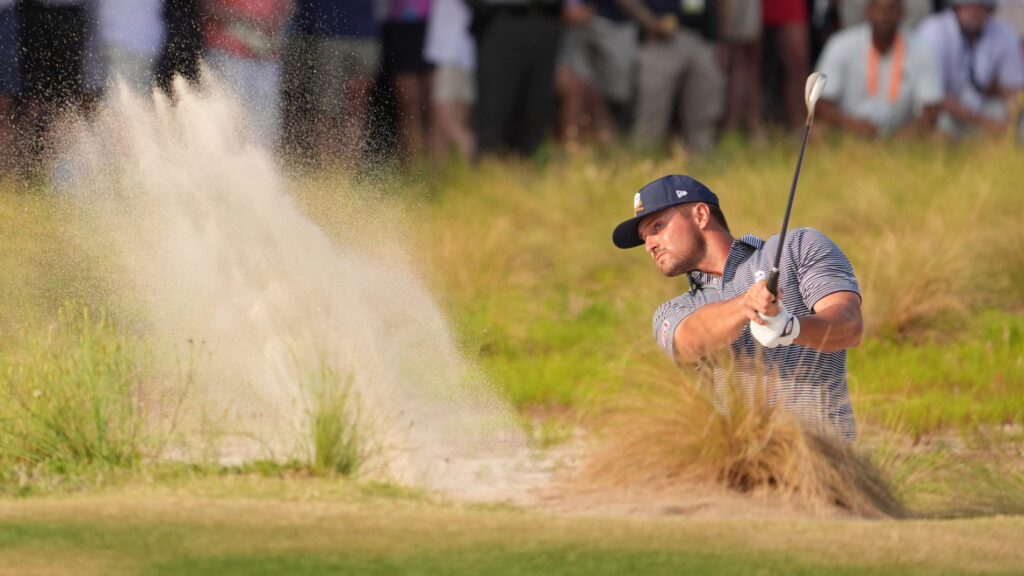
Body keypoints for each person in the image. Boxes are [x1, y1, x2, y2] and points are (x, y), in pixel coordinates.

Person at [611, 174, 863, 441]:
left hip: (826, 456)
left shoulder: (797, 247)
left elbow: (849, 326)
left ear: (700, 215)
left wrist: (791, 327)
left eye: (658, 226)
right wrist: (746, 305)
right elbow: (689, 341)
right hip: (741, 464)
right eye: (645, 237)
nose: (649, 245)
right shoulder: (673, 312)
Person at [815, 0, 943, 138]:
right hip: (849, 130)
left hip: (901, 133)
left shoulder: (921, 49)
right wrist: (853, 126)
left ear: (902, 13)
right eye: (879, 9)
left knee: (941, 138)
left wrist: (903, 136)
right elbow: (820, 102)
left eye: (891, 10)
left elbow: (932, 108)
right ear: (868, 12)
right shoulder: (841, 44)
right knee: (816, 133)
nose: (884, 16)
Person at [617, 0, 725, 153]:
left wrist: (722, 37)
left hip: (703, 37)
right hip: (660, 38)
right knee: (651, 114)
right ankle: (643, 159)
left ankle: (702, 160)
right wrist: (650, 22)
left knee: (704, 117)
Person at [915, 0, 1024, 138]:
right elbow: (935, 95)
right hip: (943, 109)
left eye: (980, 6)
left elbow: (1015, 89)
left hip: (976, 107)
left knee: (1018, 119)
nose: (974, 11)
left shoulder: (1003, 33)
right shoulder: (934, 30)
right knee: (940, 123)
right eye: (968, 5)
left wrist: (1011, 118)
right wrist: (984, 123)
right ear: (956, 6)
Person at [471, 0, 564, 157]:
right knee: (495, 117)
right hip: (501, 19)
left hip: (546, 18)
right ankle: (490, 167)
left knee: (536, 115)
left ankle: (533, 165)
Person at [201, 0, 296, 149]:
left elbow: (288, 4)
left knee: (264, 126)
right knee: (226, 123)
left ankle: (258, 160)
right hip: (228, 51)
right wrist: (246, 20)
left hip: (268, 53)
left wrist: (274, 20)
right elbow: (206, 5)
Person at [423, 0, 476, 162]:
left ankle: (479, 166)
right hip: (456, 53)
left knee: (444, 121)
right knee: (444, 127)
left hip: (454, 53)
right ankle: (445, 177)